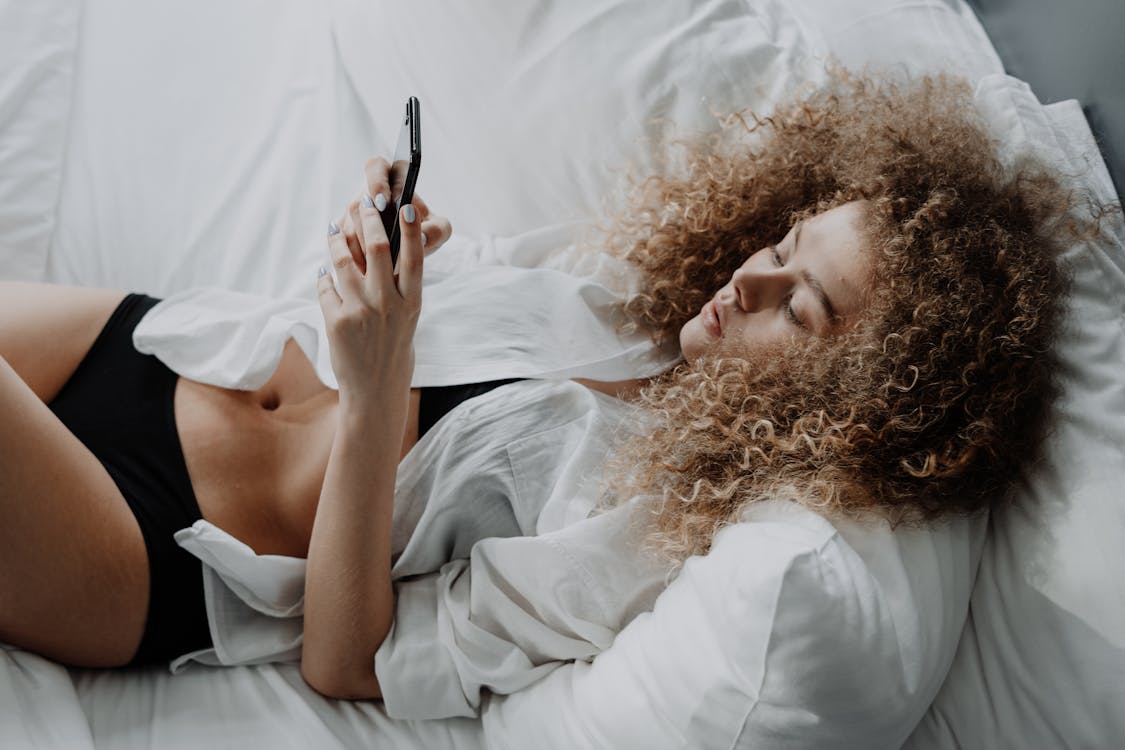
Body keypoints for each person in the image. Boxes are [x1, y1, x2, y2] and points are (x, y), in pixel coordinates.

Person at [0, 71, 1073, 702]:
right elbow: (383, 320)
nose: (749, 276)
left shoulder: (637, 526)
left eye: (800, 306)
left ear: (858, 396)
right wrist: (392, 254)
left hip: (152, 539)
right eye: (787, 240)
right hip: (161, 346)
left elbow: (346, 663)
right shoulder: (624, 296)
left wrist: (380, 395)